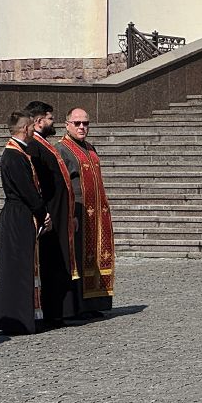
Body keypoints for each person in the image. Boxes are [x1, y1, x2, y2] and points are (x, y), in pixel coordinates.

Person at [0, 112, 51, 334]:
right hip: (18, 214)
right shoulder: (13, 155)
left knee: (25, 265)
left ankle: (27, 315)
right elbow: (27, 189)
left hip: (22, 213)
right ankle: (17, 318)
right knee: (18, 267)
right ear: (26, 128)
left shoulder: (19, 152)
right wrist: (43, 212)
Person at [57, 107, 116, 316]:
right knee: (79, 261)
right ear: (67, 125)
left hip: (97, 213)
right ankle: (78, 307)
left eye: (86, 123)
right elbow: (62, 185)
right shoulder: (62, 149)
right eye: (77, 123)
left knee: (96, 258)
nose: (82, 127)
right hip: (78, 213)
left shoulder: (90, 148)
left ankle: (94, 303)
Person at [24, 101, 78, 324]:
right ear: (38, 121)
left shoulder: (43, 143)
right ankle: (52, 312)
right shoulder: (34, 146)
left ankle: (59, 310)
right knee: (50, 262)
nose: (52, 122)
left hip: (59, 213)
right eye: (50, 118)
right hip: (49, 214)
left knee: (57, 261)